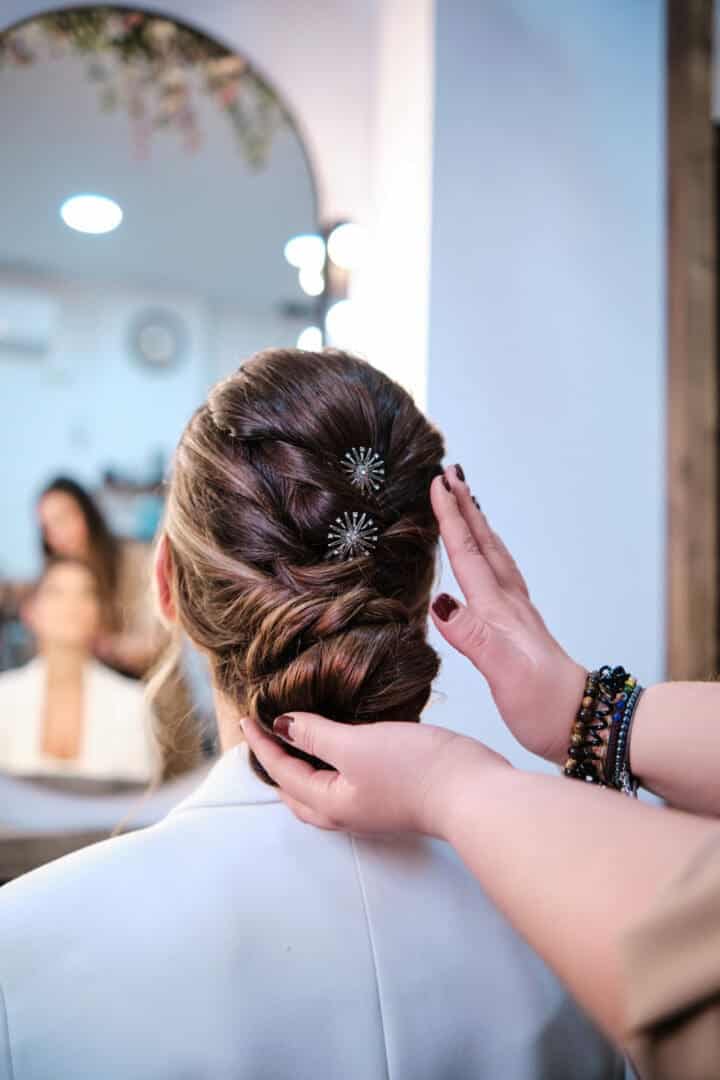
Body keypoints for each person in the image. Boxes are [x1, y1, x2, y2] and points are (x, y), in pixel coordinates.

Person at [0, 351, 622, 1079]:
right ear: (421, 600)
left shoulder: (27, 946)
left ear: (168, 586)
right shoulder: (589, 927)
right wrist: (602, 720)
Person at [243, 463, 720, 1080]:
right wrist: (589, 712)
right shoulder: (552, 965)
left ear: (169, 582)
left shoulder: (79, 929)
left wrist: (453, 785)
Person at [0, 558, 158, 782]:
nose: (72, 604)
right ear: (30, 613)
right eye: (57, 593)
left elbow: (137, 802)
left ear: (98, 613)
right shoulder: (4, 697)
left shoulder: (133, 703)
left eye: (85, 593)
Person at [37, 476, 162, 677]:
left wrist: (105, 646)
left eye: (63, 519)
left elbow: (156, 641)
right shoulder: (56, 582)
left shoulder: (135, 561)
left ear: (87, 513)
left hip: (146, 687)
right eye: (47, 527)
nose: (57, 534)